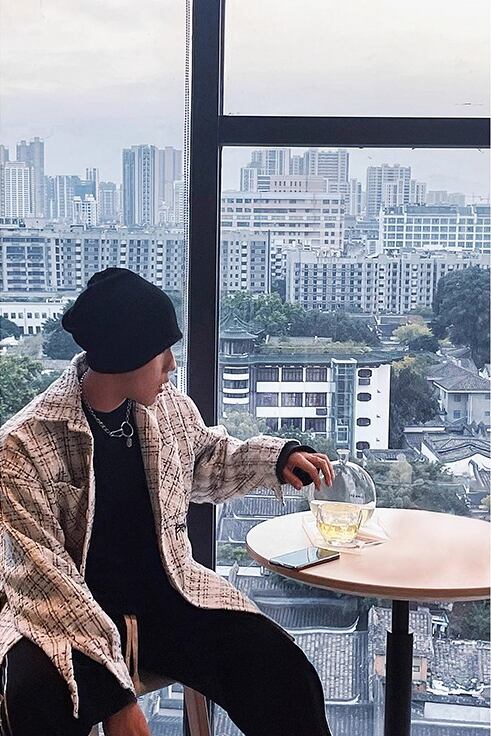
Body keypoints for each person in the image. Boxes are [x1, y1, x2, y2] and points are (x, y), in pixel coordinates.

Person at [0, 268, 334, 736]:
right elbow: (44, 577)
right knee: (32, 700)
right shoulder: (23, 445)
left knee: (282, 671)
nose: (172, 365)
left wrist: (277, 459)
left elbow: (207, 458)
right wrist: (117, 699)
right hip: (65, 617)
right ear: (127, 353)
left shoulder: (168, 408)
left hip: (171, 596)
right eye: (162, 351)